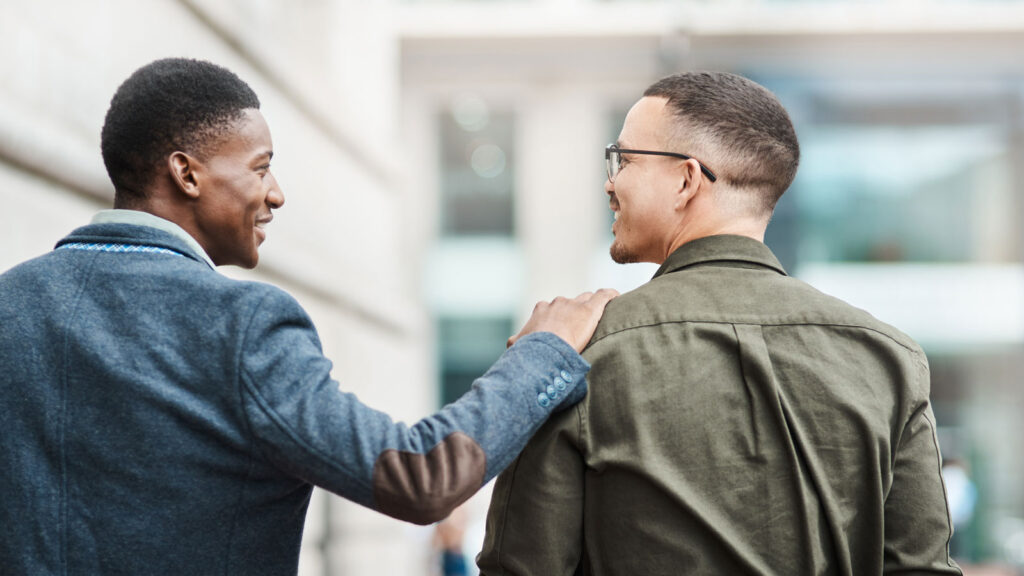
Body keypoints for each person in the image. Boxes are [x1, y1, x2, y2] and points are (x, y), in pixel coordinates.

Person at [0, 58, 616, 576]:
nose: (277, 194)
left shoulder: (11, 303)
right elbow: (421, 475)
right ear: (186, 173)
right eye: (261, 167)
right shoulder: (243, 325)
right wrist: (545, 350)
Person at [477, 71, 961, 575]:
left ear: (687, 180)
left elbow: (522, 566)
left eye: (622, 159)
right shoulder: (889, 360)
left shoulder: (575, 353)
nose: (610, 181)